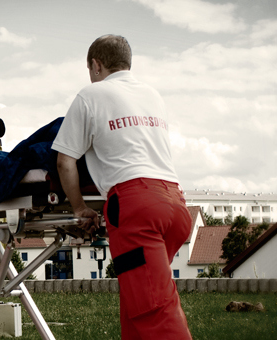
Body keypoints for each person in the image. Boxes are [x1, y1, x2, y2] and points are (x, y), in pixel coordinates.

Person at [52, 35, 193, 339]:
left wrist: (79, 208)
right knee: (137, 300)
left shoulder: (91, 94)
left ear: (96, 65)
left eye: (90, 70)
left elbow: (65, 162)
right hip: (175, 207)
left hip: (138, 210)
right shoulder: (152, 95)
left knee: (154, 310)